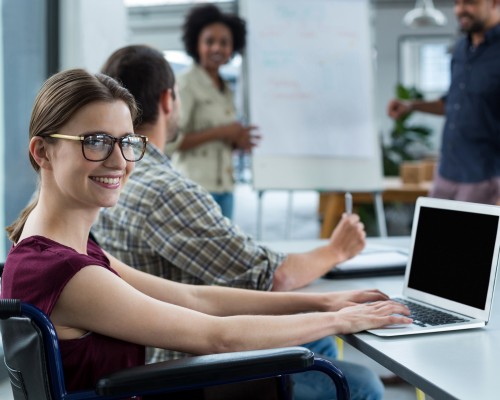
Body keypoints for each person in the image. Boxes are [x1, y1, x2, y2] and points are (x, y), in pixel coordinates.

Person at [1, 68, 411, 398]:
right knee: (346, 382)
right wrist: (340, 320)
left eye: (126, 142)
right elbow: (217, 338)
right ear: (42, 152)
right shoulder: (66, 272)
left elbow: (194, 297)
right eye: (95, 142)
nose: (118, 160)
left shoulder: (63, 250)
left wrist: (326, 302)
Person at [94, 44, 385, 400]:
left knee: (316, 338)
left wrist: (326, 307)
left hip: (136, 360)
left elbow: (197, 295)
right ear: (169, 100)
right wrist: (337, 251)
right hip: (175, 372)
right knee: (363, 385)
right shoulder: (164, 192)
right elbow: (270, 279)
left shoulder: (100, 184)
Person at [387, 0, 500, 204]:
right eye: (457, 3)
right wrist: (411, 106)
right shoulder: (461, 50)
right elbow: (453, 103)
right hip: (447, 172)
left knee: (470, 237)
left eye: (470, 3)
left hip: (484, 178)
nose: (460, 10)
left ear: (494, 3)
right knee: (431, 235)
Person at [169, 3, 259, 219]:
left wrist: (238, 141)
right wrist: (222, 132)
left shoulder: (226, 88)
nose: (217, 48)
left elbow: (223, 138)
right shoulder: (186, 84)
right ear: (196, 44)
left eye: (224, 43)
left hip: (226, 187)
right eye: (210, 41)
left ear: (233, 48)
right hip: (195, 188)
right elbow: (170, 141)